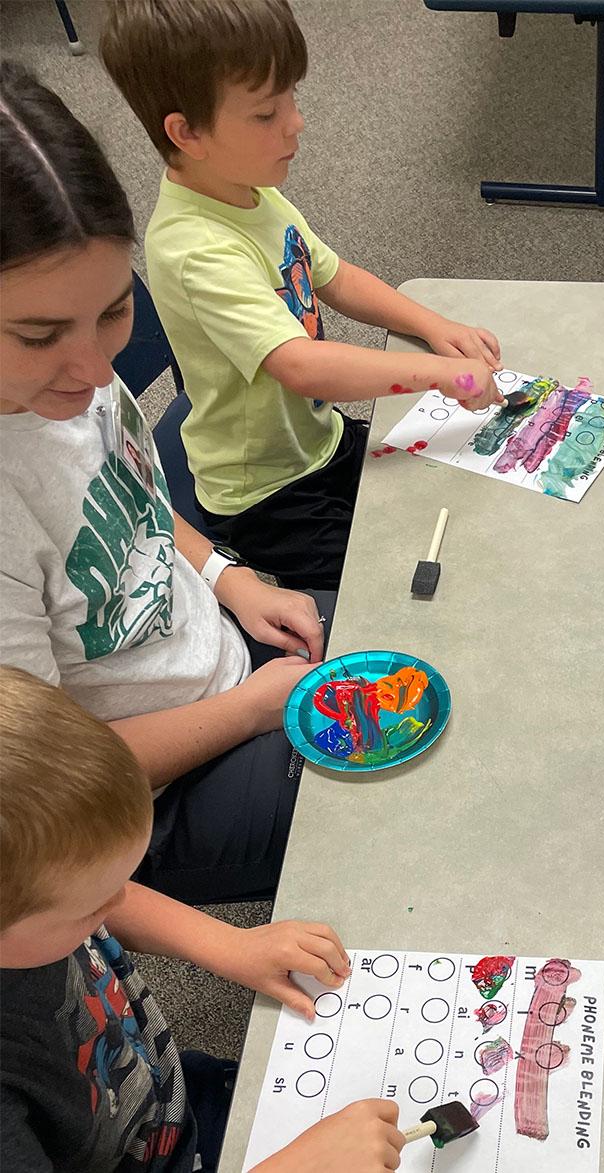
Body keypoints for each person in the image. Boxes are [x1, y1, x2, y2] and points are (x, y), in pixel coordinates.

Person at [0, 62, 317, 905]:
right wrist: (251, 709)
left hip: (217, 649)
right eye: (39, 335)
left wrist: (229, 578)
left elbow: (127, 496)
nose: (97, 367)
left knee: (437, 639)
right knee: (413, 788)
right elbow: (51, 785)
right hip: (138, 796)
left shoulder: (67, 373)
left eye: (113, 310)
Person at [99, 0, 506, 591]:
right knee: (418, 579)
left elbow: (332, 274)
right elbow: (302, 367)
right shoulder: (195, 249)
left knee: (455, 495)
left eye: (292, 98)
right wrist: (440, 372)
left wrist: (433, 323)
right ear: (187, 134)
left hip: (320, 441)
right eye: (267, 113)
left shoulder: (249, 191)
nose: (296, 122)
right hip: (266, 496)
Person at [0, 666, 406, 1172]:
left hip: (169, 1099)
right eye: (90, 909)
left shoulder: (31, 914)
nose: (114, 906)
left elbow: (106, 898)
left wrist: (229, 945)